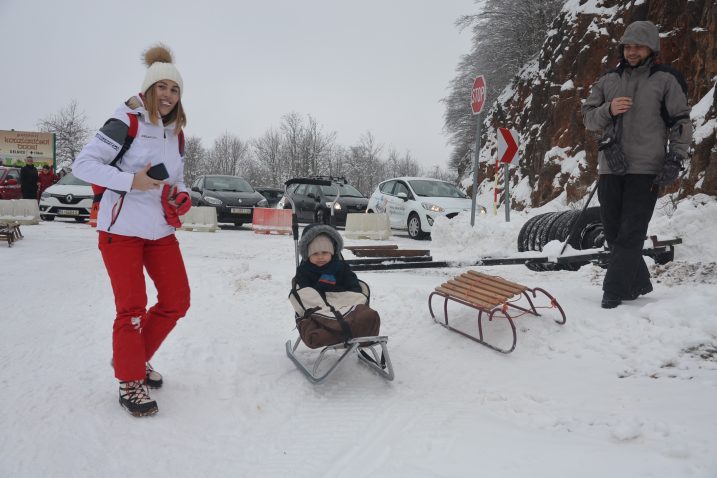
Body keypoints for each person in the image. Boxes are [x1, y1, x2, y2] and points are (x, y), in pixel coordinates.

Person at [72, 44, 191, 417]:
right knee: (132, 309)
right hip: (120, 229)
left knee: (177, 300)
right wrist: (130, 181)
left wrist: (181, 195)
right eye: (162, 87)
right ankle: (129, 379)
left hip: (159, 230)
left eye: (175, 90)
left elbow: (178, 178)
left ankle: (135, 358)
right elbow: (84, 164)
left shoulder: (177, 133)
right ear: (149, 88)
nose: (169, 96)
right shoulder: (126, 120)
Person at [582, 20, 692, 309]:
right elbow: (588, 117)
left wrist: (676, 156)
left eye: (638, 46)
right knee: (614, 232)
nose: (631, 52)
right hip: (611, 166)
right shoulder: (608, 80)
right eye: (627, 46)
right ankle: (640, 282)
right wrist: (608, 109)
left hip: (646, 168)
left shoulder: (667, 79)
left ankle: (613, 291)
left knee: (632, 231)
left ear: (651, 48)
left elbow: (680, 121)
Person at [290, 224, 380, 348]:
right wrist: (321, 287)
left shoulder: (340, 267)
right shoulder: (304, 271)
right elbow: (305, 294)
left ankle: (344, 330)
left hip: (344, 306)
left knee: (368, 316)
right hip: (319, 311)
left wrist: (350, 298)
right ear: (308, 255)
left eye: (325, 252)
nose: (320, 256)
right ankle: (342, 331)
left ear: (332, 252)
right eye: (315, 253)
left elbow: (354, 286)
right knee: (316, 331)